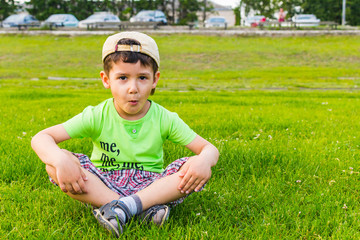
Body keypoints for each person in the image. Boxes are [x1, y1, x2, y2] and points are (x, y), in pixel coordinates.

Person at [31, 31, 219, 238]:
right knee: (54, 164)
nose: (133, 88)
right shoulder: (96, 115)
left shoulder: (165, 118)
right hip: (102, 182)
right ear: (106, 79)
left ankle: (116, 209)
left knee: (195, 165)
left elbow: (209, 149)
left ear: (155, 80)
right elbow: (41, 138)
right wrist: (59, 160)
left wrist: (204, 161)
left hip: (151, 184)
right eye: (122, 78)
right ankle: (141, 209)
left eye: (142, 78)